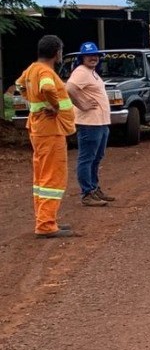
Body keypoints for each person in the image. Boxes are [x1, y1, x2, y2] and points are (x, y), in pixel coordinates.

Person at [16, 35, 77, 238]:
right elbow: (48, 88)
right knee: (53, 176)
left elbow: (19, 85)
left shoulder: (32, 69)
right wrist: (54, 105)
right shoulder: (44, 72)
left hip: (39, 129)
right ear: (57, 51)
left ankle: (45, 220)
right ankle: (46, 225)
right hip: (50, 130)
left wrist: (36, 103)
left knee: (42, 178)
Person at [66, 42, 116, 207]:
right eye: (89, 55)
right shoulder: (81, 72)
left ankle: (94, 189)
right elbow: (69, 88)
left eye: (95, 55)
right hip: (89, 124)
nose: (93, 58)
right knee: (87, 158)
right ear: (82, 58)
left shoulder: (92, 73)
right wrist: (81, 104)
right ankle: (87, 193)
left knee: (96, 158)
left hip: (100, 123)